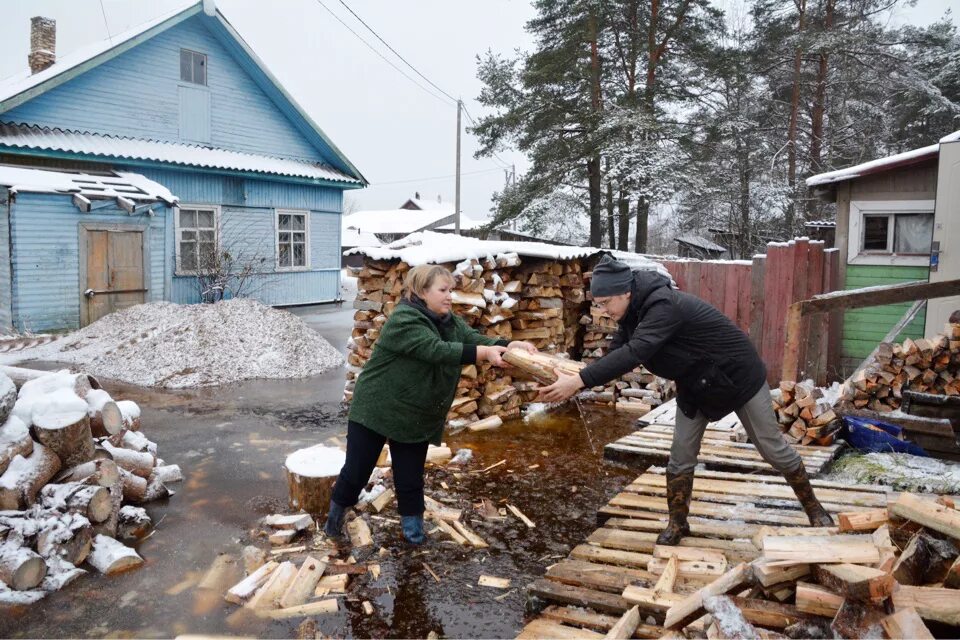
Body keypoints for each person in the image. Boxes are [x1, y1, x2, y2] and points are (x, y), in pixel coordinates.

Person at [539, 254, 833, 545]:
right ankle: (678, 524)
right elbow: (617, 352)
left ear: (626, 292)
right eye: (598, 304)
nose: (602, 311)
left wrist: (579, 381)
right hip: (696, 383)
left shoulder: (663, 306)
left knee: (772, 449)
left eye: (605, 303)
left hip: (738, 376)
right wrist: (574, 375)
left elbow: (635, 353)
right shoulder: (630, 314)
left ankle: (814, 509)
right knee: (680, 455)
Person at [324, 264, 536, 544]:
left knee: (410, 479)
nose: (450, 296)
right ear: (422, 292)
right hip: (377, 408)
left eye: (452, 290)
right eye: (443, 290)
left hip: (413, 413)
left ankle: (414, 537)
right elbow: (434, 350)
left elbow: (473, 339)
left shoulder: (447, 319)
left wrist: (508, 345)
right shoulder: (404, 319)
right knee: (356, 473)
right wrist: (484, 353)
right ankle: (332, 524)